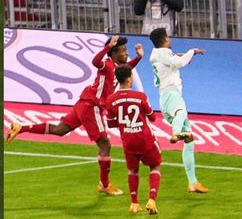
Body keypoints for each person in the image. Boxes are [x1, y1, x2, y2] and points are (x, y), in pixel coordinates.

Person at [6, 35, 143, 196]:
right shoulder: (106, 65)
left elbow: (128, 67)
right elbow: (95, 62)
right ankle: (104, 184)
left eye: (126, 50)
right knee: (105, 144)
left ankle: (21, 127)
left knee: (60, 129)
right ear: (113, 53)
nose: (126, 54)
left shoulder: (118, 68)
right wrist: (107, 47)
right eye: (122, 51)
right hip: (92, 106)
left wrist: (139, 57)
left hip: (84, 104)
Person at [149, 27, 208, 193]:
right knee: (180, 112)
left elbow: (175, 59)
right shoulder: (162, 53)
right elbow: (179, 62)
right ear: (165, 39)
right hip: (171, 95)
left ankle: (193, 182)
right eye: (168, 37)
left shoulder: (158, 54)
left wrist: (189, 55)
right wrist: (191, 51)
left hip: (166, 97)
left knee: (190, 140)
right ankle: (175, 133)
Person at [105, 65, 163, 214]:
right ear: (129, 79)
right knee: (155, 166)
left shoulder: (110, 100)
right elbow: (153, 117)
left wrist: (126, 124)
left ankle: (134, 203)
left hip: (128, 140)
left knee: (133, 170)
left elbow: (111, 123)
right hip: (145, 139)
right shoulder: (140, 97)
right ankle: (151, 199)